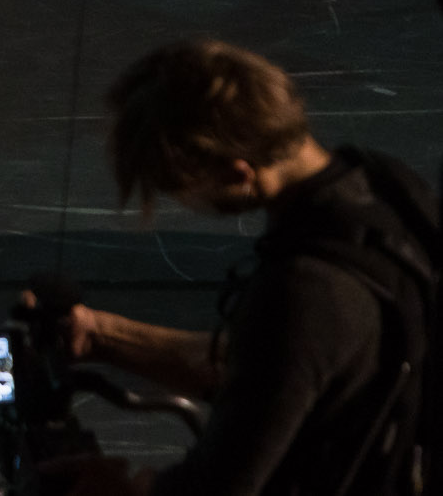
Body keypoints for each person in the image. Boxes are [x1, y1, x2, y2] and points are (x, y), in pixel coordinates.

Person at [42, 39, 438, 496]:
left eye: (180, 187)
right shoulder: (383, 189)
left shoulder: (304, 289)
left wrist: (119, 489)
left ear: (237, 174)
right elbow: (284, 368)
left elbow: (219, 487)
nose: (184, 200)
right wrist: (103, 336)